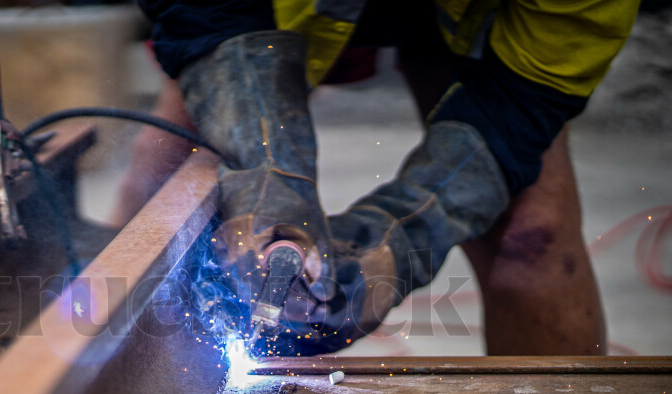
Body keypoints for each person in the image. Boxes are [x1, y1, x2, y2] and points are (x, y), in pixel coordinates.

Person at [119, 0, 639, 356]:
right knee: (167, 173)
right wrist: (267, 169)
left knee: (531, 232)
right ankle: (110, 367)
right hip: (272, 9)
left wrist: (403, 239)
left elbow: (526, 99)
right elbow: (202, 14)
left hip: (479, 17)